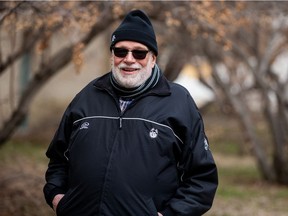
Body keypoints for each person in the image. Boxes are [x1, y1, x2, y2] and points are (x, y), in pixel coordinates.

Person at [43, 9, 218, 216]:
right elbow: (58, 159)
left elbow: (201, 178)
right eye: (120, 51)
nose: (129, 59)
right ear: (112, 56)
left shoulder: (178, 102)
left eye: (139, 53)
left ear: (153, 59)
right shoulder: (87, 96)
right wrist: (57, 198)